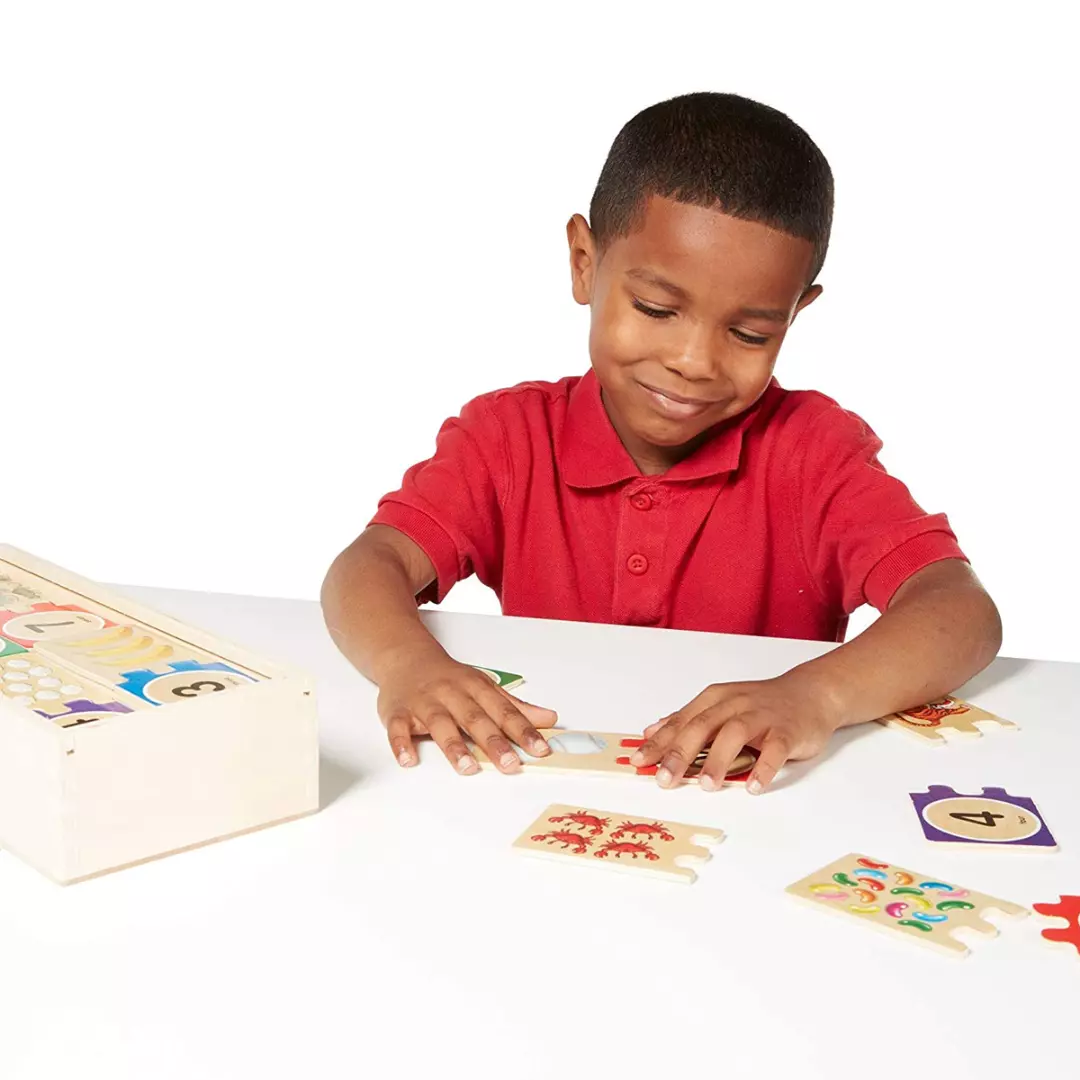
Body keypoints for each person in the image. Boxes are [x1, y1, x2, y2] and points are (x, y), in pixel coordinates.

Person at [321, 91, 1001, 794]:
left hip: (755, 804)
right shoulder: (508, 438)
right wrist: (409, 665)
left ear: (797, 312)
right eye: (656, 308)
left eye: (749, 334)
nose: (694, 362)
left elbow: (960, 610)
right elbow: (369, 565)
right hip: (544, 786)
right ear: (584, 262)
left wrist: (816, 695)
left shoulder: (813, 453)